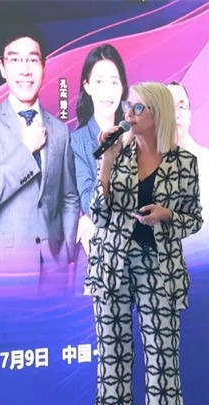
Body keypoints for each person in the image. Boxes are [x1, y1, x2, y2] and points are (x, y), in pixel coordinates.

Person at [84, 82, 202, 405]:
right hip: (112, 269)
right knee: (113, 366)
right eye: (128, 107)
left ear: (157, 113)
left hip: (160, 271)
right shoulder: (116, 154)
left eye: (137, 108)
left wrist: (167, 214)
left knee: (163, 367)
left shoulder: (184, 162)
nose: (129, 114)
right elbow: (98, 213)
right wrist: (106, 163)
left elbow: (194, 219)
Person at [0, 20, 79, 292]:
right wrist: (26, 149)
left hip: (55, 272)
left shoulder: (59, 130)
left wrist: (66, 252)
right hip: (7, 272)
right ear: (2, 67)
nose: (25, 69)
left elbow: (69, 198)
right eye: (15, 59)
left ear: (43, 66)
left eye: (32, 59)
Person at [70, 44, 129, 285]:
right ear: (87, 86)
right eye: (99, 81)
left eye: (114, 82)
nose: (108, 91)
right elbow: (89, 204)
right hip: (96, 260)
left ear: (122, 87)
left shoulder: (136, 136)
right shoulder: (77, 141)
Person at [167, 81, 209, 227]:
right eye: (169, 107)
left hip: (201, 241)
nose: (177, 114)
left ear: (190, 115)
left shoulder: (205, 159)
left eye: (182, 107)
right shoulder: (148, 160)